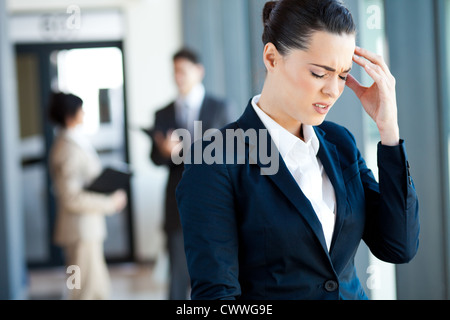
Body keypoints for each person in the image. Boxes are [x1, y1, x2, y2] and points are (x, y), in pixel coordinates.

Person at [175, 0, 420, 300]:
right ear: (272, 58)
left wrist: (389, 131)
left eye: (342, 75)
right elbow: (218, 298)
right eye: (319, 73)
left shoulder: (340, 143)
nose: (333, 90)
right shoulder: (215, 161)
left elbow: (398, 246)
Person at [150, 48, 235, 300]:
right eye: (174, 71)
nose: (178, 77)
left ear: (199, 72)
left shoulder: (220, 108)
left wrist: (183, 149)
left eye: (182, 71)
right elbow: (153, 159)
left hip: (215, 202)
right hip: (177, 204)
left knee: (217, 272)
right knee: (177, 274)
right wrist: (165, 152)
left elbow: (230, 150)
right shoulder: (162, 113)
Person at [48, 92, 128, 300]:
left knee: (90, 288)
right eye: (80, 109)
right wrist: (110, 203)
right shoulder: (67, 148)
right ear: (69, 115)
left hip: (85, 231)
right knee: (84, 291)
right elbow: (71, 197)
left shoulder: (72, 142)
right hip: (80, 232)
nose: (84, 113)